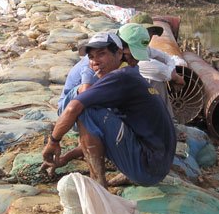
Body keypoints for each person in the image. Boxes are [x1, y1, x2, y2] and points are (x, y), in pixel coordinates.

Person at [41, 26, 176, 188]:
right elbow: (98, 133)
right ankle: (127, 172)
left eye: (102, 54)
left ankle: (98, 183)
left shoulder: (121, 77)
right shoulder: (130, 74)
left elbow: (73, 108)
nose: (95, 61)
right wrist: (67, 157)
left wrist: (53, 142)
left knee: (86, 109)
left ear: (119, 54)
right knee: (93, 109)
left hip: (148, 168)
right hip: (158, 167)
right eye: (91, 57)